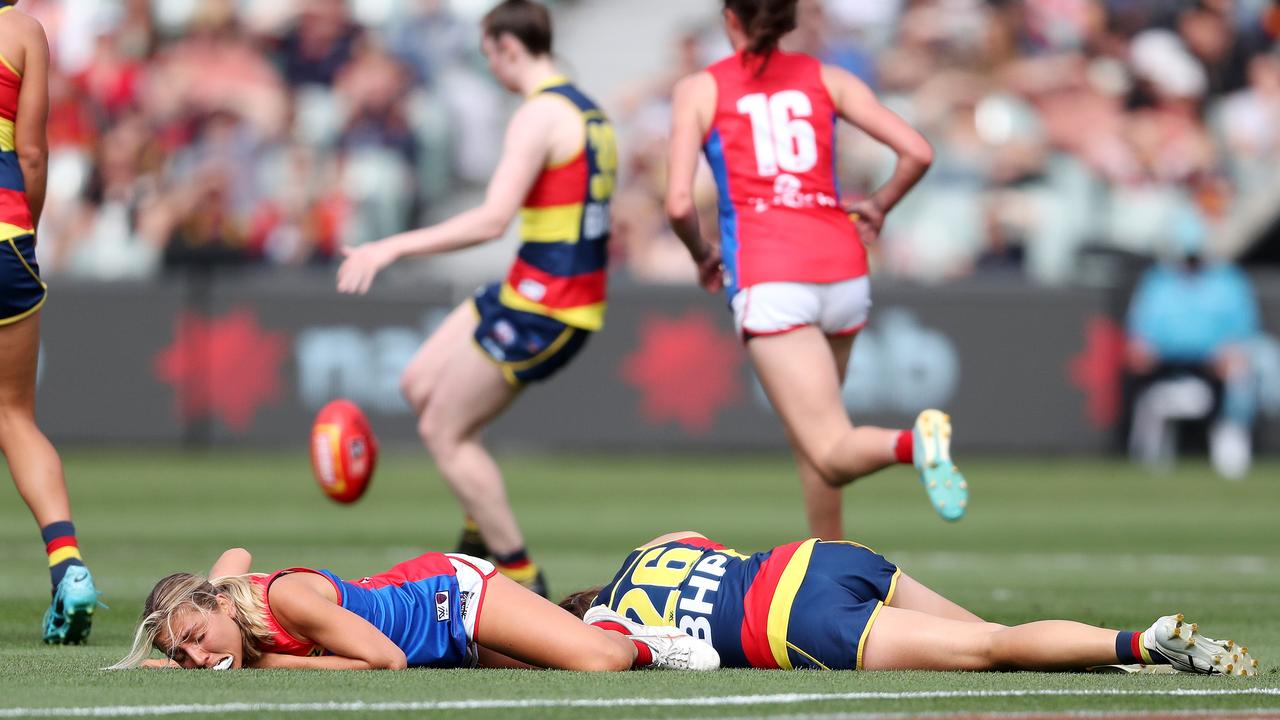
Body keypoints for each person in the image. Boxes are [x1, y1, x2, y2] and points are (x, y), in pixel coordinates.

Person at [336, 0, 616, 596]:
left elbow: (493, 219)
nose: (490, 68)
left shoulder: (537, 116)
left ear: (509, 49)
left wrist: (389, 248)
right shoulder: (586, 110)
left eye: (489, 55)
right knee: (418, 383)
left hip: (548, 306)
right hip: (528, 291)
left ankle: (520, 575)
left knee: (444, 429)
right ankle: (478, 526)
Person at [663, 0, 964, 540]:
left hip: (771, 273)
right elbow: (917, 151)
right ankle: (830, 558)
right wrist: (878, 205)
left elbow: (680, 205)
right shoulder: (827, 78)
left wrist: (701, 253)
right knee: (816, 434)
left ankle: (915, 443)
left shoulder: (700, 89)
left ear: (730, 17)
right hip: (843, 269)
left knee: (828, 450)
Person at [563, 531, 1259, 675]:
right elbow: (709, 549)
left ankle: (1142, 642)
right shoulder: (647, 550)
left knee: (994, 650)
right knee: (993, 634)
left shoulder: (606, 628)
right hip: (816, 558)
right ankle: (1130, 654)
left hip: (797, 625)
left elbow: (687, 656)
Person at [112, 547, 717, 671]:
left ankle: (631, 634)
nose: (196, 654)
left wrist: (267, 668)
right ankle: (586, 616)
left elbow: (387, 660)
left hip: (451, 600)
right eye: (180, 654)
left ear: (216, 602)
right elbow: (232, 556)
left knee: (602, 662)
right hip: (449, 647)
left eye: (194, 634)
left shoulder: (283, 599)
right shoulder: (224, 608)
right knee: (553, 665)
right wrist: (189, 646)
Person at [0, 0, 100, 645]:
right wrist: (23, 231)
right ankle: (68, 566)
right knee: (13, 416)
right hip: (7, 240)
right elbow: (33, 155)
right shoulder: (22, 31)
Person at [1125, 206, 1261, 479]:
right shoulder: (1158, 283)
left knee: (1243, 371)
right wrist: (1144, 350)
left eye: (1194, 256)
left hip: (1216, 367)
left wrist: (1230, 352)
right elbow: (1139, 338)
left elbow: (1245, 332)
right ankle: (1148, 460)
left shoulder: (1227, 281)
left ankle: (1231, 452)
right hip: (1169, 366)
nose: (1189, 263)